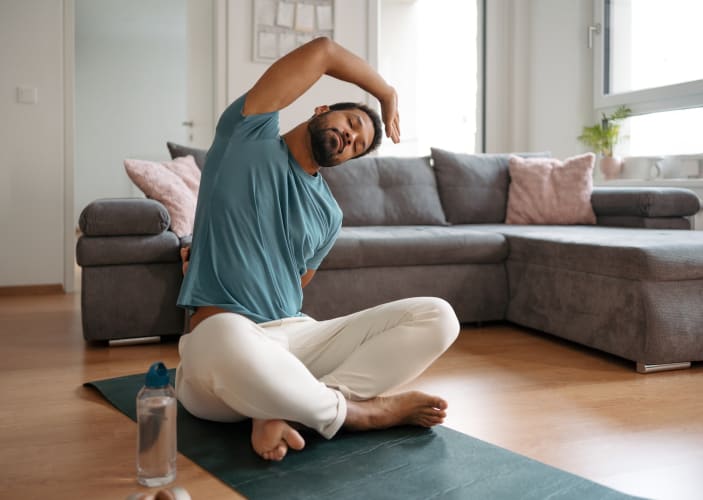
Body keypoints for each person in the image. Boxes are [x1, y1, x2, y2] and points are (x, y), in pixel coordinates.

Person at [175, 37, 460, 462]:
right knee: (222, 334)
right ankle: (362, 414)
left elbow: (298, 280)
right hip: (224, 340)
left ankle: (289, 408)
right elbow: (324, 52)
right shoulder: (247, 135)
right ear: (322, 111)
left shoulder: (329, 214)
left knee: (439, 316)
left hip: (294, 336)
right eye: (350, 124)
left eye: (358, 144)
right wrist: (385, 93)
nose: (349, 138)